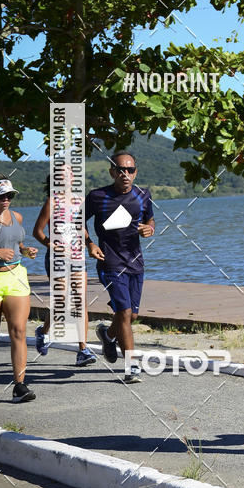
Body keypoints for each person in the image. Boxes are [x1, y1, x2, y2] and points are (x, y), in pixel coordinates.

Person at [84, 151, 154, 384]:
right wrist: (90, 243)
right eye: (121, 170)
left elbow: (150, 218)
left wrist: (149, 228)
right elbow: (76, 220)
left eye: (130, 170)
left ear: (135, 172)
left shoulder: (143, 194)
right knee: (124, 313)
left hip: (135, 261)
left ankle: (107, 334)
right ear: (112, 172)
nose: (125, 174)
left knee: (131, 315)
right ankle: (131, 367)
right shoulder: (97, 196)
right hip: (109, 261)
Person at [0, 175, 39, 402]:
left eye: (10, 195)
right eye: (0, 195)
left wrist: (25, 251)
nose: (6, 199)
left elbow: (16, 244)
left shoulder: (17, 217)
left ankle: (19, 386)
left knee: (18, 331)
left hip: (16, 277)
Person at [33, 175, 96, 366]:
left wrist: (90, 244)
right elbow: (37, 232)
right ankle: (43, 332)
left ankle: (83, 350)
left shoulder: (80, 201)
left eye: (69, 173)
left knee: (80, 303)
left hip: (77, 258)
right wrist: (54, 246)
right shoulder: (52, 202)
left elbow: (82, 228)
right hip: (57, 259)